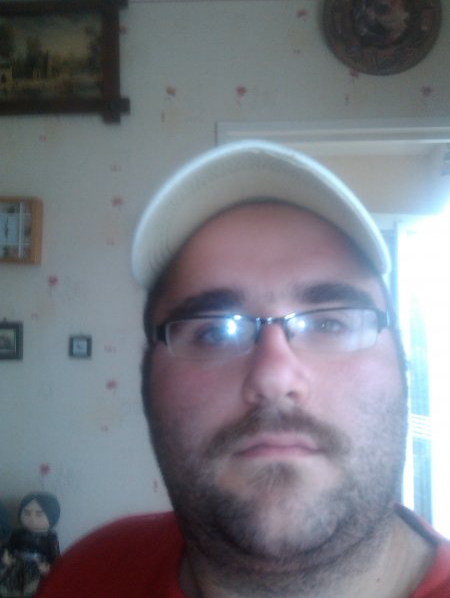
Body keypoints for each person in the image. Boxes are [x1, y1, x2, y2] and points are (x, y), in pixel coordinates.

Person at [37, 141, 450, 597]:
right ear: (147, 382)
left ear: (402, 365)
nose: (273, 377)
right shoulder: (86, 575)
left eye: (329, 323)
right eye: (214, 332)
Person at [1, 492, 60, 597]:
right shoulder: (17, 533)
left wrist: (50, 567)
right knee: (9, 585)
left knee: (32, 589)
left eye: (39, 514)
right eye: (27, 513)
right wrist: (6, 555)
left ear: (52, 516)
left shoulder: (50, 537)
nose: (32, 519)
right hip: (16, 564)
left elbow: (55, 555)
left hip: (35, 568)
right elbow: (9, 545)